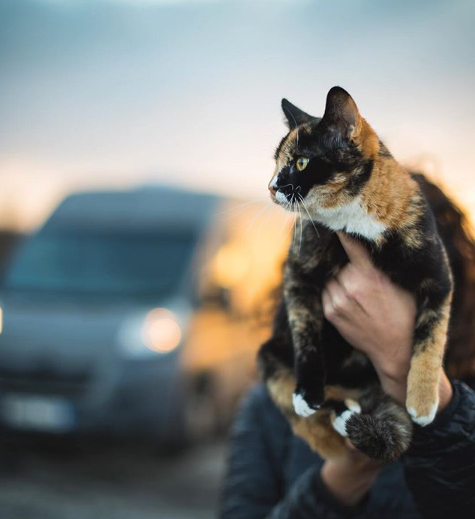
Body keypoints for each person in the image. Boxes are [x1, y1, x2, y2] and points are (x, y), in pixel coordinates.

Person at [219, 175, 475, 519]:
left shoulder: (467, 391)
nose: (365, 297)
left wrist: (403, 365)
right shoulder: (271, 405)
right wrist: (343, 478)